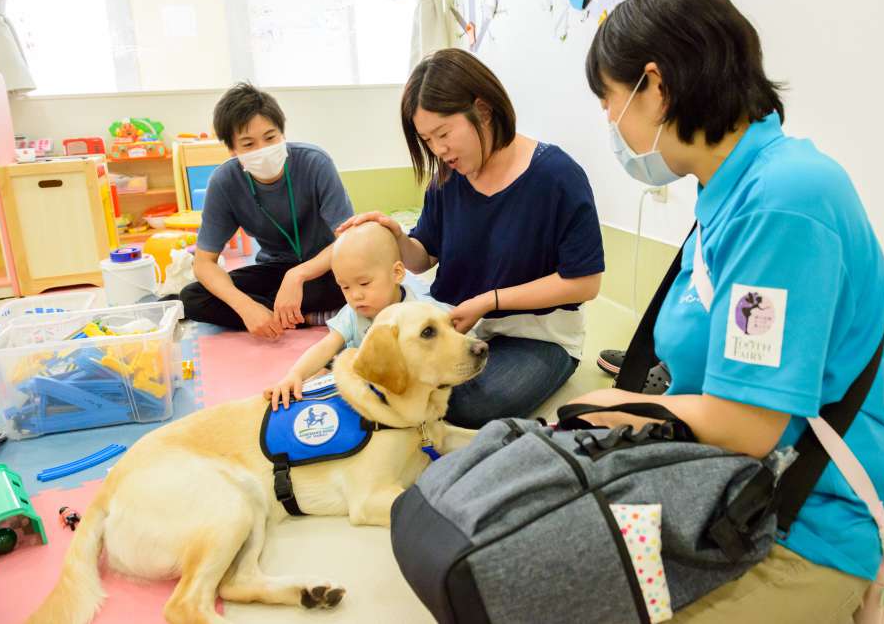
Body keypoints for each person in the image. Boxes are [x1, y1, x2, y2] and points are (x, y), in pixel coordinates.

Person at [568, 0, 884, 622]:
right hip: (714, 482)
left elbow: (750, 426)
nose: (609, 121)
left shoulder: (785, 199)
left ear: (656, 87)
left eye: (610, 100)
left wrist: (616, 404)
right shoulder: (728, 188)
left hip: (800, 518)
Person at [337, 49, 604, 428]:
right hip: (457, 326)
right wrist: (396, 236)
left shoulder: (557, 177)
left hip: (537, 338)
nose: (439, 151)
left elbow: (584, 284)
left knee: (465, 406)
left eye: (444, 134)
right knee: (392, 380)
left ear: (482, 110)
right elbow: (422, 258)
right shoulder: (447, 179)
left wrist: (489, 302)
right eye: (428, 140)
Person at [179, 83, 354, 339]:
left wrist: (298, 275)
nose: (262, 150)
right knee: (191, 297)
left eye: (270, 138)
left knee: (357, 280)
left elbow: (348, 240)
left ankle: (282, 314)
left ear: (283, 135)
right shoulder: (224, 181)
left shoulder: (315, 163)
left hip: (324, 267)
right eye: (248, 144)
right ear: (232, 150)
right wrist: (246, 306)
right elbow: (204, 263)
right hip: (274, 270)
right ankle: (299, 316)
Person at [263, 222, 443, 410]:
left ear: (397, 273)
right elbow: (326, 346)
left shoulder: (420, 312)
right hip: (362, 375)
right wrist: (295, 374)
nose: (355, 296)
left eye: (364, 283)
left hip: (401, 382)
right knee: (321, 377)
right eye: (345, 287)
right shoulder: (352, 313)